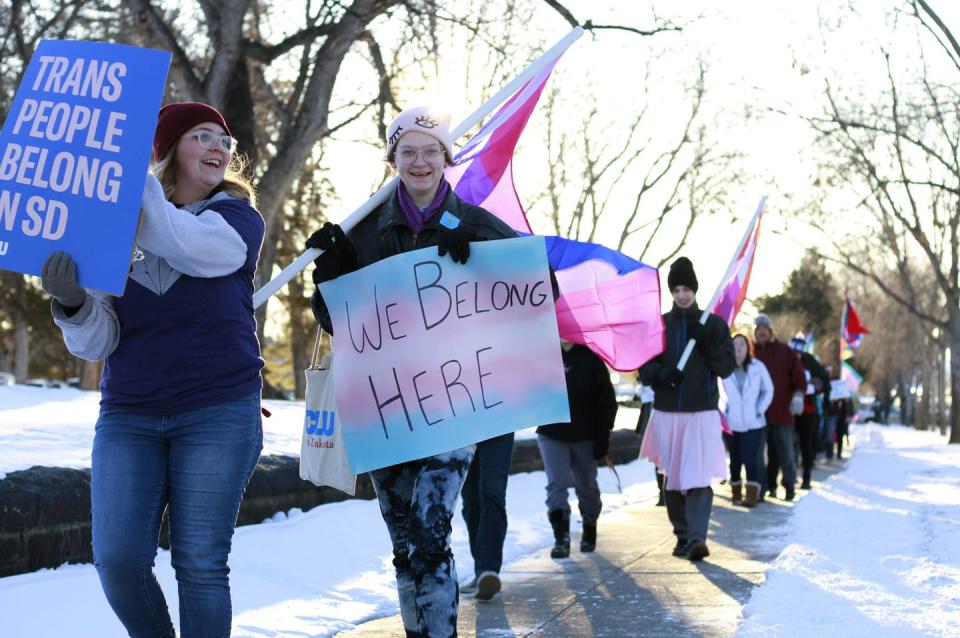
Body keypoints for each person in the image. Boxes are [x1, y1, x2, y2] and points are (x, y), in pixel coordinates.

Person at [41, 102, 265, 638]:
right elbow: (99, 341)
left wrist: (129, 182)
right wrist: (73, 303)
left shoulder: (235, 218)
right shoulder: (108, 228)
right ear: (168, 151)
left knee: (200, 564)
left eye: (224, 140)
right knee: (118, 560)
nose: (219, 147)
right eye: (201, 137)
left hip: (218, 411)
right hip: (130, 415)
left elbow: (189, 248)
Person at [308, 105, 517, 638]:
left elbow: (538, 299)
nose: (420, 161)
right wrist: (330, 276)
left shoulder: (479, 227)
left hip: (454, 405)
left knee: (430, 529)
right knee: (403, 542)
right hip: (385, 406)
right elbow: (339, 322)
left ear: (447, 156)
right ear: (392, 159)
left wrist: (483, 263)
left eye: (430, 150)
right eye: (408, 151)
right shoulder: (364, 233)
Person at [638, 257, 735, 561]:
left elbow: (727, 367)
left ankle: (697, 539)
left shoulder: (713, 325)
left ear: (695, 289)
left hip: (701, 411)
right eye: (677, 289)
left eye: (687, 288)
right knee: (674, 477)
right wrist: (662, 374)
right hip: (667, 411)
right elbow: (645, 368)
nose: (682, 294)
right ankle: (682, 534)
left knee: (699, 476)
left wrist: (706, 344)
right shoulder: (660, 325)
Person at [537, 340, 618, 559]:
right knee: (557, 483)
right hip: (551, 433)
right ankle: (561, 538)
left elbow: (607, 402)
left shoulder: (591, 359)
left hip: (585, 435)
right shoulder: (544, 356)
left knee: (587, 486)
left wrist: (603, 436)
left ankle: (589, 524)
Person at [752, 315, 806, 501]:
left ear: (771, 331)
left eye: (764, 329)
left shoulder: (785, 352)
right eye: (758, 329)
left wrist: (798, 395)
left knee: (785, 453)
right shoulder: (751, 353)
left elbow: (799, 377)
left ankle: (789, 486)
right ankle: (765, 486)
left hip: (782, 412)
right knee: (760, 454)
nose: (761, 332)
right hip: (757, 414)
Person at [460, 431, 515, 601]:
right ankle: (482, 571)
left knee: (492, 492)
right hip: (462, 424)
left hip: (498, 421)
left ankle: (488, 569)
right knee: (471, 499)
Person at [721, 334, 774, 507]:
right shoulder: (724, 368)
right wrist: (723, 411)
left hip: (754, 423)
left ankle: (751, 497)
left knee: (751, 460)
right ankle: (736, 495)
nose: (739, 347)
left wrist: (759, 410)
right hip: (731, 423)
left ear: (748, 346)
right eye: (735, 343)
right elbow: (718, 393)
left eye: (742, 343)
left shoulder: (758, 367)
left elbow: (769, 390)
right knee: (735, 461)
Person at [789, 334, 830, 489]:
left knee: (806, 445)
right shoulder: (787, 360)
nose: (797, 355)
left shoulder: (810, 362)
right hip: (790, 410)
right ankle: (790, 476)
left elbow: (823, 382)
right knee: (790, 444)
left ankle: (806, 477)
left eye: (799, 352)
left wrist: (814, 386)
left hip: (809, 410)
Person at [634, 384, 666, 506]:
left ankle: (668, 493)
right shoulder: (648, 378)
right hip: (654, 419)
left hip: (667, 416)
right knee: (658, 460)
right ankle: (663, 493)